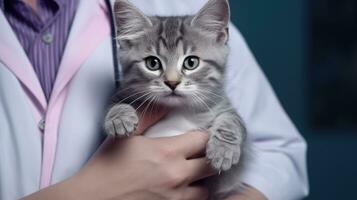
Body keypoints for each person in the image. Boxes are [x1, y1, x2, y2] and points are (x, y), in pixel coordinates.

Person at [0, 0, 309, 199]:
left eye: (188, 64)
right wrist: (89, 192)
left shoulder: (190, 11)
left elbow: (278, 152)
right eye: (155, 64)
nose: (172, 80)